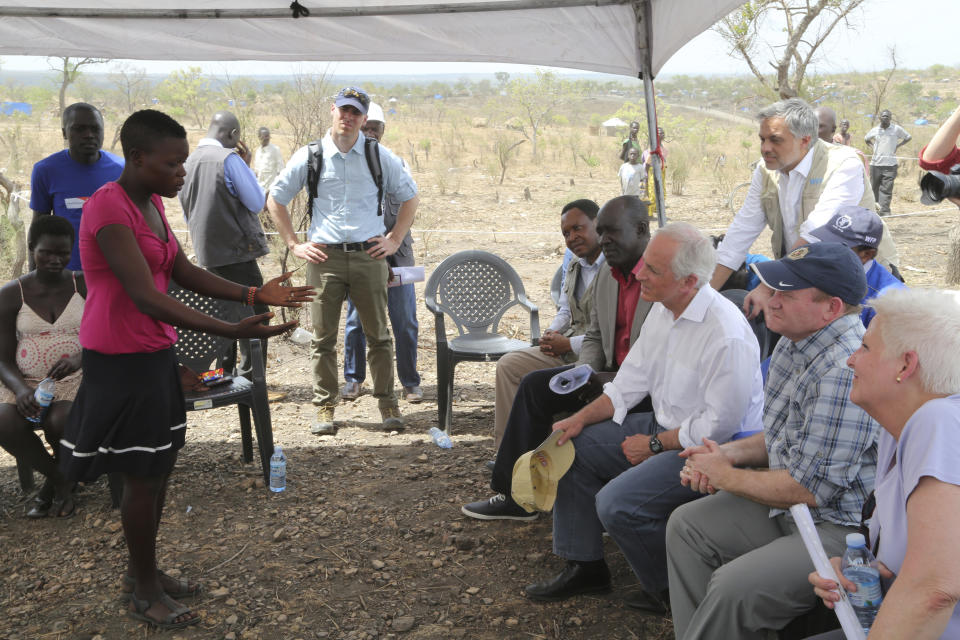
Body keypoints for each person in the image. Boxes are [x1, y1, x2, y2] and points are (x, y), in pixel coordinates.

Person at [58, 109, 313, 630]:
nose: (182, 172)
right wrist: (231, 330)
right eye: (173, 164)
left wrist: (249, 294)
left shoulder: (150, 203)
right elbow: (145, 296)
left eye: (182, 162)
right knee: (142, 477)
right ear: (137, 158)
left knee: (159, 467)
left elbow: (182, 269)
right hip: (121, 361)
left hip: (153, 354)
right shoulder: (109, 210)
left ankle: (142, 573)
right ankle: (143, 588)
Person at [523, 223, 764, 613]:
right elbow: (629, 383)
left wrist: (654, 445)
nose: (638, 274)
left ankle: (673, 592)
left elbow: (716, 427)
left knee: (618, 503)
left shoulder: (725, 333)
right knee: (573, 447)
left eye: (652, 269)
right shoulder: (665, 310)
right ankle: (586, 566)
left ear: (688, 281)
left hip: (711, 450)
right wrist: (579, 419)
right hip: (665, 429)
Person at [666, 242, 881, 640]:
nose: (772, 302)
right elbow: (783, 436)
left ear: (831, 308)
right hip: (793, 508)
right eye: (774, 291)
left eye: (786, 294)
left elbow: (809, 489)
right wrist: (723, 455)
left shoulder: (842, 368)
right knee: (687, 526)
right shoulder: (796, 342)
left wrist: (725, 476)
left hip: (837, 527)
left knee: (734, 588)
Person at [462, 195, 653, 520]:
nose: (605, 240)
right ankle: (515, 494)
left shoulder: (661, 276)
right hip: (604, 372)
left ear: (641, 229)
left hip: (643, 387)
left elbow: (660, 357)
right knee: (536, 386)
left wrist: (607, 379)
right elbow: (594, 334)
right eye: (602, 232)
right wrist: (582, 374)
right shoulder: (608, 275)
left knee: (563, 396)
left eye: (611, 232)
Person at [808, 288, 960, 639]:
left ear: (906, 364)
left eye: (865, 348)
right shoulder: (901, 430)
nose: (851, 360)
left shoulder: (940, 421)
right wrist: (860, 570)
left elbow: (934, 592)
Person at [267, 87, 419, 435]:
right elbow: (275, 200)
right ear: (332, 111)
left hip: (368, 257)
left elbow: (410, 197)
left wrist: (394, 238)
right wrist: (293, 243)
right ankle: (324, 407)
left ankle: (387, 404)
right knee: (322, 338)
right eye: (343, 111)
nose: (348, 118)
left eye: (356, 113)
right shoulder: (310, 156)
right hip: (325, 259)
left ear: (365, 119)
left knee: (379, 335)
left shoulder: (379, 156)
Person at [711, 98, 883, 297]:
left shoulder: (844, 164)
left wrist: (768, 289)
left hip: (862, 282)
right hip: (800, 273)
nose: (765, 148)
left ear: (805, 140)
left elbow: (816, 234)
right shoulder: (765, 169)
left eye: (775, 140)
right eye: (762, 139)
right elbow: (742, 231)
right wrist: (704, 296)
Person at [492, 199, 604, 449]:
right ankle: (507, 452)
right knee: (509, 365)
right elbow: (566, 308)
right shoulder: (575, 264)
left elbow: (607, 334)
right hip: (567, 345)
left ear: (598, 224)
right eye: (566, 233)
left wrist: (567, 344)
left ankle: (540, 451)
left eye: (578, 228)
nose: (572, 237)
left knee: (537, 384)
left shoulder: (612, 267)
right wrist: (552, 333)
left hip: (594, 354)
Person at [0, 215, 84, 518]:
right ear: (32, 247)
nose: (54, 259)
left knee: (60, 421)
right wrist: (21, 389)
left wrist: (79, 358)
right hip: (24, 379)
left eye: (63, 252)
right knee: (4, 421)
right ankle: (60, 478)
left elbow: (107, 334)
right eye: (46, 252)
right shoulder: (10, 294)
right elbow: (2, 357)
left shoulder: (83, 284)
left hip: (76, 378)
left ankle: (52, 487)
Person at [341, 102, 422, 404]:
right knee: (356, 321)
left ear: (383, 131)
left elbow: (409, 205)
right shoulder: (345, 165)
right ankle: (353, 379)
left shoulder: (397, 163)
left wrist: (393, 239)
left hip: (398, 253)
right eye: (366, 127)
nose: (371, 132)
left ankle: (410, 382)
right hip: (362, 256)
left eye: (376, 127)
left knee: (404, 321)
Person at [180, 111, 270, 381]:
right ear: (234, 135)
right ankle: (252, 379)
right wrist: (246, 166)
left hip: (207, 253)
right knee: (257, 314)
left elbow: (188, 212)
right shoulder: (229, 159)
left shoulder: (187, 161)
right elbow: (256, 202)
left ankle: (225, 374)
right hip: (237, 252)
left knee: (224, 315)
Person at [29, 102, 124, 271]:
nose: (89, 135)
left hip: (114, 274)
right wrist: (33, 277)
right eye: (79, 129)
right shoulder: (46, 170)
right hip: (65, 276)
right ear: (65, 133)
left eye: (95, 129)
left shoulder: (122, 170)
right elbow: (39, 227)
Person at [809, 205, 906, 327]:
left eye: (837, 248)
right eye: (824, 241)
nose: (824, 251)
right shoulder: (819, 271)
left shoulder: (889, 302)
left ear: (866, 255)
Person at [865, 110, 911, 216]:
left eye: (887, 116)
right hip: (875, 164)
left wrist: (898, 146)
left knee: (886, 189)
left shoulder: (896, 129)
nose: (885, 118)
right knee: (873, 187)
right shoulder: (875, 130)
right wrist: (873, 148)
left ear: (890, 118)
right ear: (879, 118)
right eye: (883, 116)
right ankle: (873, 210)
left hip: (890, 165)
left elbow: (908, 137)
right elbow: (866, 139)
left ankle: (884, 211)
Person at [254, 126, 284, 192]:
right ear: (259, 137)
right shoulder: (258, 151)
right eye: (264, 136)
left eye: (268, 136)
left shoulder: (275, 150)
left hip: (271, 191)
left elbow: (281, 171)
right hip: (259, 190)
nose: (267, 138)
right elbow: (256, 172)